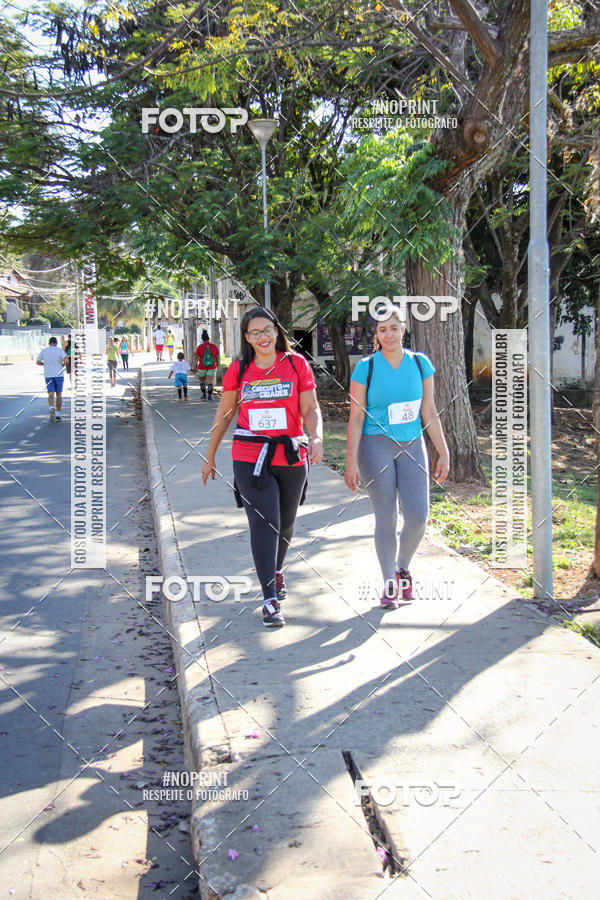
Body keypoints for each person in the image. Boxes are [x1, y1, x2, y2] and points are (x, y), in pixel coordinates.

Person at [201, 308, 323, 628]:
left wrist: (318, 436)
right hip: (249, 456)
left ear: (276, 330)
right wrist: (209, 455)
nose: (263, 337)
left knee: (285, 523)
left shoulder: (296, 364)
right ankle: (269, 598)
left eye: (267, 329)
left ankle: (276, 570)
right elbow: (225, 416)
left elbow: (309, 407)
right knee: (265, 522)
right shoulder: (239, 370)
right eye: (255, 333)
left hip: (291, 454)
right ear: (246, 338)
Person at [345, 304, 450, 609]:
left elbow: (429, 412)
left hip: (413, 444)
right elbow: (355, 417)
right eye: (382, 329)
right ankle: (389, 582)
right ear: (375, 335)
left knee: (418, 515)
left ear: (403, 329)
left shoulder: (420, 364)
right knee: (386, 517)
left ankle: (402, 567)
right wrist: (351, 461)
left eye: (394, 327)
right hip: (374, 445)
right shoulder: (366, 367)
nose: (388, 334)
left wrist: (443, 452)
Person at [36, 336, 68, 421]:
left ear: (49, 343)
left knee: (50, 393)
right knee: (59, 395)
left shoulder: (44, 351)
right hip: (59, 375)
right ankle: (58, 414)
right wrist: (62, 364)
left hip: (48, 375)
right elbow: (67, 361)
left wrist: (44, 364)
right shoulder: (59, 350)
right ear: (56, 343)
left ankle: (50, 407)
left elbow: (38, 362)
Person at [194, 330, 220, 400]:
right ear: (209, 339)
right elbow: (217, 357)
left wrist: (195, 367)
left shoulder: (199, 347)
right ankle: (210, 396)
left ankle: (204, 394)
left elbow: (196, 358)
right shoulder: (214, 346)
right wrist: (217, 364)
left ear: (202, 339)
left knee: (202, 381)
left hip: (202, 366)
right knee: (210, 381)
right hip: (212, 366)